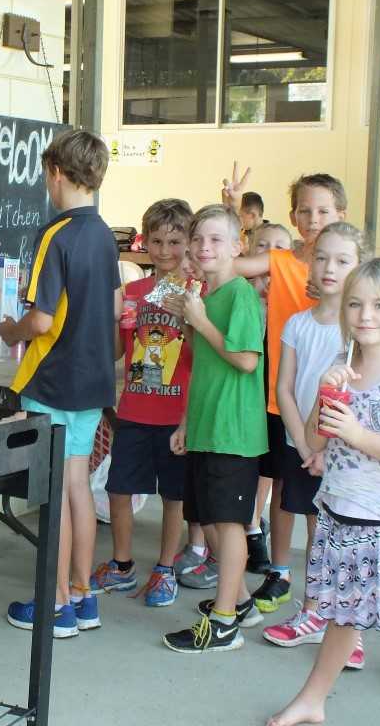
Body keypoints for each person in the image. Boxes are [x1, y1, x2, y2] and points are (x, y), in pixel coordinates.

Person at [268, 259, 380, 726]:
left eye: (379, 306)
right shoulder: (340, 365)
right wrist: (325, 397)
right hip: (338, 516)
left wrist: (359, 432)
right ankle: (312, 701)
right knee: (342, 616)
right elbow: (315, 439)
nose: (365, 315)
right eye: (355, 304)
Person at [2, 129, 120, 638]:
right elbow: (114, 309)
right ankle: (81, 596)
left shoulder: (56, 234)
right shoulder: (104, 234)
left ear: (55, 173)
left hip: (51, 380)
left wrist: (11, 329)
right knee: (77, 486)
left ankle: (52, 605)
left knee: (54, 491)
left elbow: (43, 321)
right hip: (93, 379)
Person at [233, 172, 347, 626]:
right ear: (293, 215)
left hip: (336, 408)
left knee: (325, 499)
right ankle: (279, 572)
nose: (312, 218)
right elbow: (231, 265)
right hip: (284, 399)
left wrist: (339, 290)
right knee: (283, 490)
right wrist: (231, 222)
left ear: (342, 214)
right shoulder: (279, 260)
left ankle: (321, 591)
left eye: (323, 210)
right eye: (304, 210)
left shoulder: (349, 270)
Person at [162, 204, 267, 653]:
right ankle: (240, 603)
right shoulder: (206, 295)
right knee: (213, 517)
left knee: (229, 525)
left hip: (232, 430)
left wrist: (199, 320)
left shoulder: (239, 293)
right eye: (198, 239)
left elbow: (245, 359)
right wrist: (189, 322)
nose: (205, 247)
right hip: (207, 424)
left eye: (216, 240)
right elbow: (205, 360)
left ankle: (224, 624)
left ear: (237, 247)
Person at [262, 222, 367, 657]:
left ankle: (349, 630)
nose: (329, 267)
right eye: (322, 256)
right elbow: (285, 388)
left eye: (343, 260)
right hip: (302, 448)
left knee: (343, 536)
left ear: (359, 266)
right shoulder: (297, 324)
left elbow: (359, 394)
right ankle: (313, 612)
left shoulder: (360, 327)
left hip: (344, 454)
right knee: (315, 533)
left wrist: (325, 447)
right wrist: (305, 446)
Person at [89, 198, 193, 608]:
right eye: (157, 241)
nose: (165, 251)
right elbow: (117, 351)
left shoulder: (195, 292)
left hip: (176, 411)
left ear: (188, 242)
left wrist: (189, 316)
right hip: (134, 407)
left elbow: (204, 352)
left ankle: (165, 567)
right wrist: (118, 324)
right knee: (119, 488)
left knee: (174, 496)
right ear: (144, 242)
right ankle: (121, 564)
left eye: (174, 241)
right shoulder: (132, 292)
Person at [245, 221, 293, 576]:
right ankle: (246, 527)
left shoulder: (293, 303)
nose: (272, 258)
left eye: (281, 249)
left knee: (273, 471)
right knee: (248, 467)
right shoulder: (244, 298)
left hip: (278, 398)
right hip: (246, 398)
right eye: (264, 249)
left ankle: (256, 528)